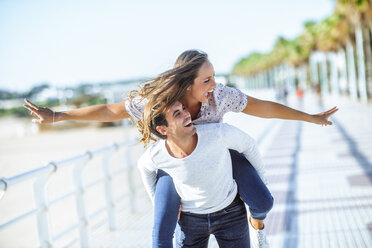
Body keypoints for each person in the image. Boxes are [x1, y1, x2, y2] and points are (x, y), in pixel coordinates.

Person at [23, 49, 338, 248]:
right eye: (207, 79)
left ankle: (258, 226)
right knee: (161, 235)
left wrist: (309, 117)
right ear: (188, 82)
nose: (214, 84)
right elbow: (109, 111)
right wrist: (57, 116)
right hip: (175, 167)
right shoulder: (157, 103)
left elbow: (263, 108)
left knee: (262, 200)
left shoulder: (220, 96)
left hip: (220, 157)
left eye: (214, 77)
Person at [137, 99, 267, 247]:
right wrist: (158, 203)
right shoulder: (157, 155)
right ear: (163, 130)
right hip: (190, 221)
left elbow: (249, 145)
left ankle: (258, 227)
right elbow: (143, 168)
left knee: (265, 203)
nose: (187, 114)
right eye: (177, 113)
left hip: (230, 213)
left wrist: (262, 183)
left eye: (183, 108)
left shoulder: (217, 133)